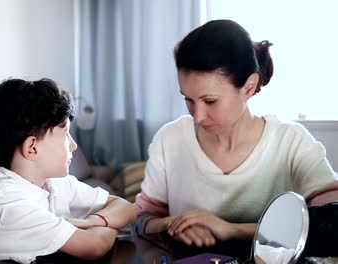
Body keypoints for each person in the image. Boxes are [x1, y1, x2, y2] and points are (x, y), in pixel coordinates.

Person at [134, 19, 338, 248]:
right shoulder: (169, 139)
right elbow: (140, 220)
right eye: (188, 99)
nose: (197, 116)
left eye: (209, 101)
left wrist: (231, 230)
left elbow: (333, 220)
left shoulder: (291, 142)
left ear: (249, 87)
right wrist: (176, 224)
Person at [0, 78, 136, 263]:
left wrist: (92, 222)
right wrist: (111, 223)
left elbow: (126, 208)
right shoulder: (4, 203)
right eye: (65, 134)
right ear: (32, 148)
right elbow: (96, 246)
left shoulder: (52, 181)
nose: (74, 145)